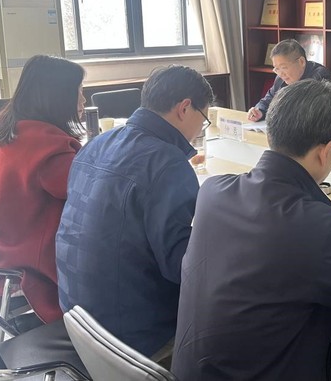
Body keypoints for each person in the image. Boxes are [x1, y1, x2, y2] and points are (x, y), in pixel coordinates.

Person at [172, 80, 331, 381]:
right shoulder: (314, 225)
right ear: (326, 151)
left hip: (201, 369)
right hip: (263, 370)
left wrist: (318, 212)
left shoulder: (213, 192)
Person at [56, 65, 214, 358]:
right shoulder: (167, 163)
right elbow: (181, 267)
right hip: (130, 336)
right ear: (184, 108)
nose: (199, 131)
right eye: (203, 120)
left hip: (76, 316)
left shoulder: (97, 143)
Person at [0, 55, 85, 324]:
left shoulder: (7, 132)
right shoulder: (49, 149)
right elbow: (91, 193)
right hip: (31, 261)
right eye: (78, 92)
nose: (83, 100)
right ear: (58, 97)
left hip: (1, 248)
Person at [246, 38, 331, 121]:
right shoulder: (281, 77)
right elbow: (269, 99)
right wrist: (259, 111)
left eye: (283, 67)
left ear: (301, 62)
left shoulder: (320, 76)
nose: (280, 73)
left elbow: (309, 112)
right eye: (276, 69)